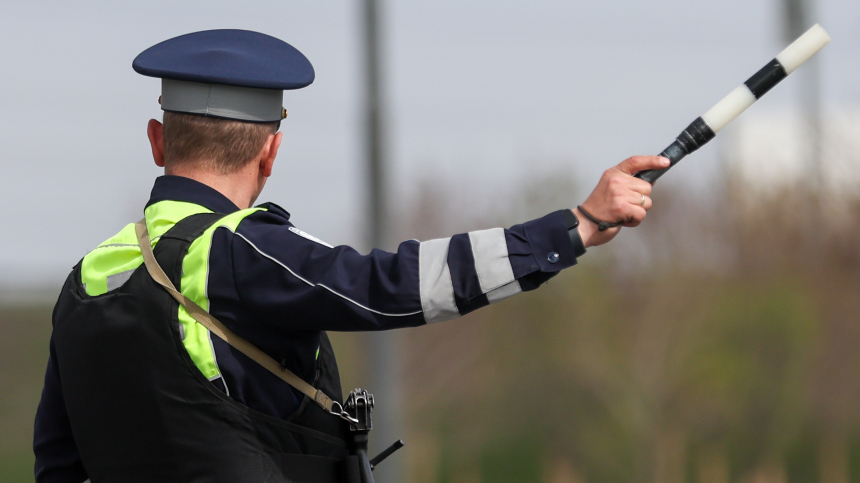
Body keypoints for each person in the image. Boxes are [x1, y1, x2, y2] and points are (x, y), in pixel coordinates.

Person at [33, 29, 669, 482]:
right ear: (269, 154)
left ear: (156, 140)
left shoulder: (86, 278)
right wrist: (573, 228)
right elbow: (394, 285)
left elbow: (57, 459)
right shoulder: (239, 250)